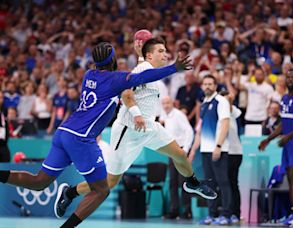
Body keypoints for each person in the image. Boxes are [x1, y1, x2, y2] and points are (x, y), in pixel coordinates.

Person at [0, 42, 195, 228]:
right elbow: (143, 77)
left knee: (39, 182)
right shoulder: (114, 79)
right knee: (101, 190)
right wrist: (174, 67)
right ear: (113, 61)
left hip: (64, 131)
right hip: (81, 139)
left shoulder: (89, 76)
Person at [54, 37, 217, 221]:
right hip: (129, 130)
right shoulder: (141, 70)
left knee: (179, 154)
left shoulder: (150, 72)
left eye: (165, 50)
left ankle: (192, 183)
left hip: (149, 127)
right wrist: (136, 113)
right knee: (110, 182)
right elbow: (126, 94)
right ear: (149, 55)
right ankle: (70, 192)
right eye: (161, 51)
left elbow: (143, 69)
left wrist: (141, 54)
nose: (165, 54)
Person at [258, 69, 293, 226]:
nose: (291, 79)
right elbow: (283, 124)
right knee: (289, 176)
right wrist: (268, 139)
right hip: (287, 145)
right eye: (288, 77)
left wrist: (289, 136)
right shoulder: (285, 98)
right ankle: (291, 214)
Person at [189, 75, 232, 225]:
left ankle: (226, 214)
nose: (207, 86)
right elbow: (200, 130)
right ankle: (212, 214)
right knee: (209, 184)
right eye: (205, 84)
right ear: (202, 86)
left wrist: (218, 146)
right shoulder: (203, 104)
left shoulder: (221, 101)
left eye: (210, 84)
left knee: (223, 182)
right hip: (205, 150)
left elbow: (225, 124)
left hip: (218, 149)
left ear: (215, 86)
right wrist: (193, 151)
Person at [160, 96, 194, 220]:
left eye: (168, 102)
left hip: (180, 151)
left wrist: (185, 149)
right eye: (163, 103)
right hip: (172, 152)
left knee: (183, 182)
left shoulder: (179, 115)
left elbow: (189, 131)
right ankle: (174, 210)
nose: (166, 105)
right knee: (173, 182)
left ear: (173, 103)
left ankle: (187, 211)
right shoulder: (166, 117)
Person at [221, 91, 243, 224]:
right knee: (225, 183)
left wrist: (229, 101)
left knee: (232, 183)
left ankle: (235, 213)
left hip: (235, 152)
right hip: (223, 152)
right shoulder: (219, 112)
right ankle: (227, 212)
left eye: (227, 101)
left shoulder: (234, 111)